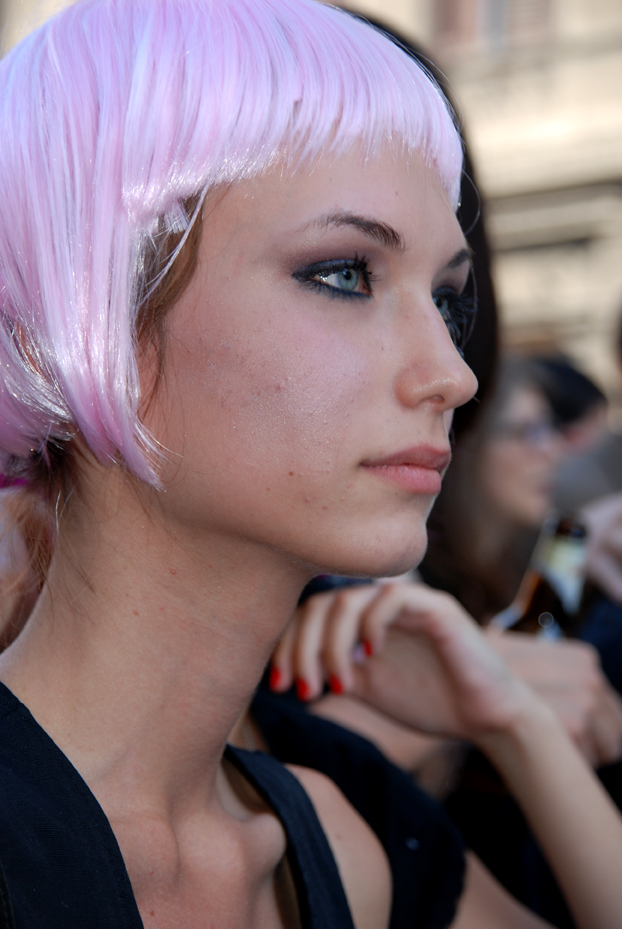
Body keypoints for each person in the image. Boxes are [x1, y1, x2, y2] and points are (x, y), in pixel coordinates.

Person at [0, 0, 474, 925]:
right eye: (343, 273)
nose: (449, 374)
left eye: (448, 297)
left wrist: (522, 728)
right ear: (95, 312)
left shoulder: (334, 851)